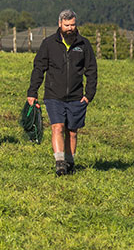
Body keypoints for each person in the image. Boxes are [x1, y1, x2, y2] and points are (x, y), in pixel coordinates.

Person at [27, 9, 97, 175]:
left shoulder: (83, 45)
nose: (70, 28)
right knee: (57, 127)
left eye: (72, 25)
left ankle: (70, 162)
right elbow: (39, 68)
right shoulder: (49, 44)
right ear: (60, 24)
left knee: (72, 132)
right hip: (53, 95)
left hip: (77, 96)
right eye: (66, 25)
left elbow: (92, 70)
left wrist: (89, 94)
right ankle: (60, 163)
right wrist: (32, 92)